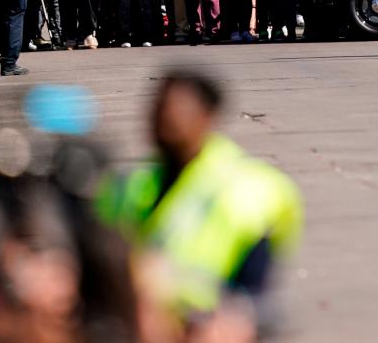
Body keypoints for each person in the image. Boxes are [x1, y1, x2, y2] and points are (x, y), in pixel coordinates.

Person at [96, 70, 303, 319]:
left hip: (208, 328)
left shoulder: (250, 190)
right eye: (158, 109)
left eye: (176, 110)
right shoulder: (129, 185)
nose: (164, 119)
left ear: (207, 117)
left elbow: (256, 296)